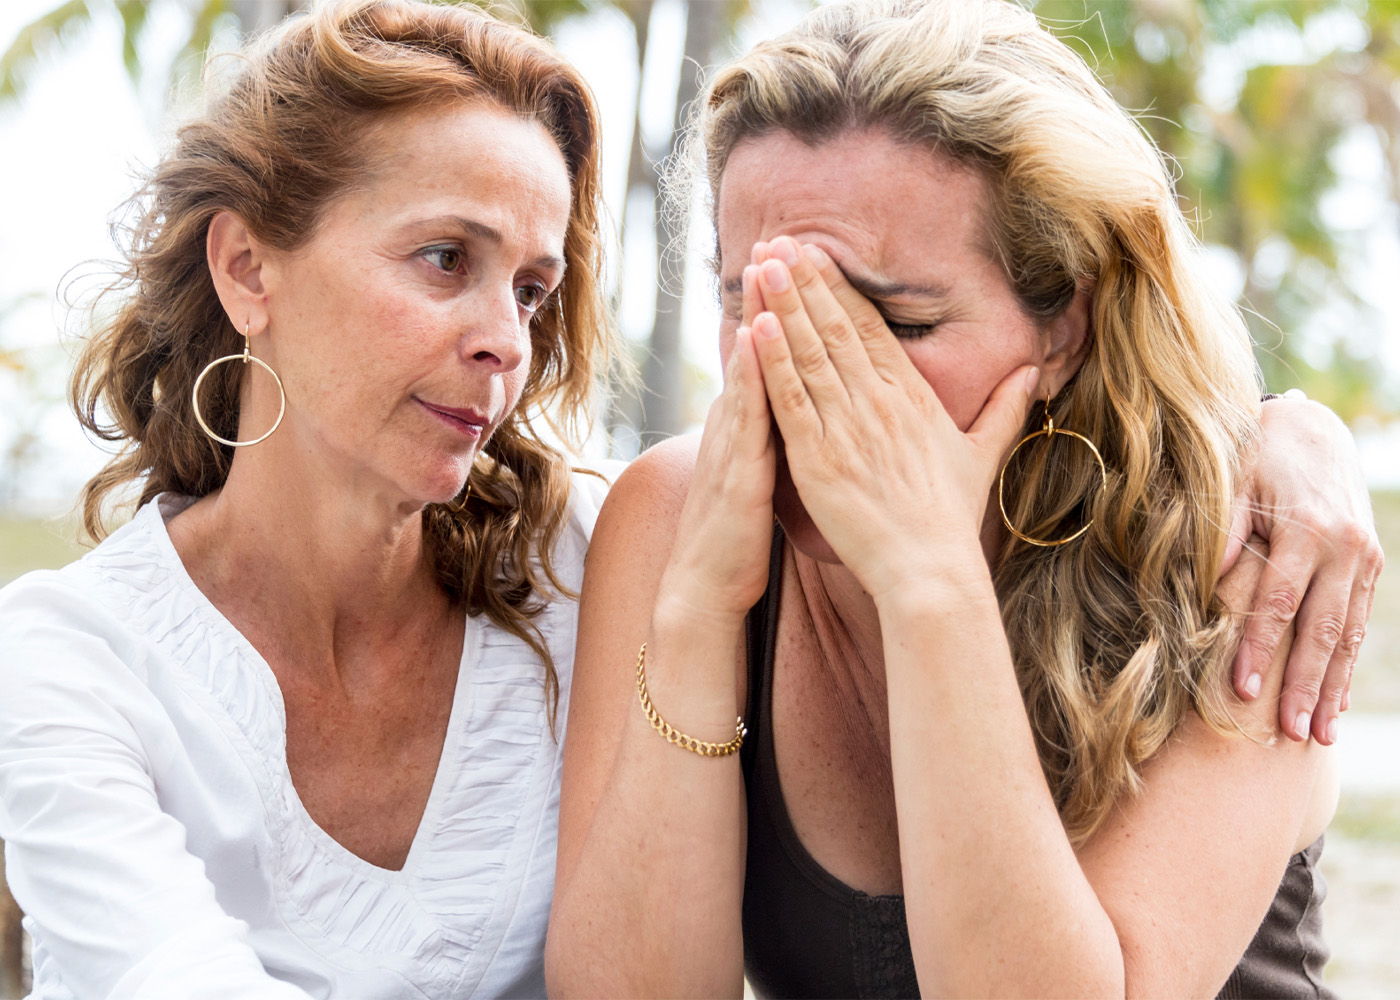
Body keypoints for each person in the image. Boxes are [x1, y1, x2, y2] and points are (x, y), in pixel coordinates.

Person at [546, 0, 1385, 996]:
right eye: (752, 305)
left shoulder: (1239, 550)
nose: (798, 378)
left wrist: (926, 580)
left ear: (1064, 323)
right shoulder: (677, 520)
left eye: (892, 321)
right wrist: (691, 617)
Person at [0, 1, 619, 996]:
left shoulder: (580, 575)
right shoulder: (72, 657)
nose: (505, 338)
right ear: (248, 269)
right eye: (445, 258)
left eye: (530, 289)